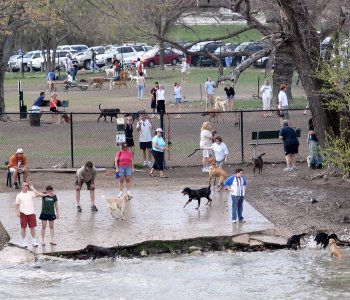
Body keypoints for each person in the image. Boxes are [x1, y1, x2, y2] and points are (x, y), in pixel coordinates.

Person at [15, 182, 43, 248]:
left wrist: (32, 188)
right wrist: (17, 212)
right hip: (23, 213)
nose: (26, 187)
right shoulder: (19, 195)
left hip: (31, 213)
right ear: (22, 186)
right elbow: (17, 204)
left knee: (32, 227)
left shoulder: (31, 193)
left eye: (27, 186)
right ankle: (23, 241)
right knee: (23, 228)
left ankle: (34, 240)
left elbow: (38, 194)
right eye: (25, 185)